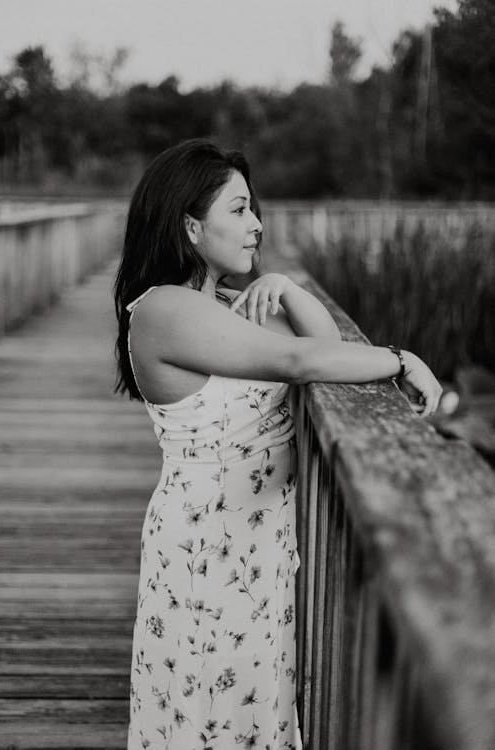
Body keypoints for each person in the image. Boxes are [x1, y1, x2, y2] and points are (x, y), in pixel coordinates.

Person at [114, 138, 442, 750]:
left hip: (257, 545)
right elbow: (298, 359)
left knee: (251, 711)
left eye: (252, 208)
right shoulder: (164, 311)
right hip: (206, 550)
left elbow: (322, 340)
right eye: (238, 210)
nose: (257, 224)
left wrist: (286, 287)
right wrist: (401, 359)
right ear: (190, 226)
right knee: (206, 715)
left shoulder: (227, 305)